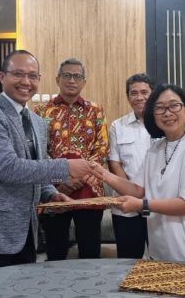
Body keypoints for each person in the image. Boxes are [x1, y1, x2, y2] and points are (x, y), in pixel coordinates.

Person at [0, 50, 100, 273]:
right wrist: (65, 167)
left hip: (27, 230)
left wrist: (49, 193)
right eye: (18, 74)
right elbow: (9, 168)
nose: (26, 82)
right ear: (1, 76)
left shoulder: (36, 120)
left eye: (33, 76)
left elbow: (36, 163)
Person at [100, 84, 185, 266]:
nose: (167, 113)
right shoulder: (156, 148)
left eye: (174, 106)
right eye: (160, 108)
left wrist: (141, 205)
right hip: (163, 247)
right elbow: (137, 189)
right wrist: (101, 173)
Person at [34, 58, 109, 260]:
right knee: (56, 250)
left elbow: (102, 147)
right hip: (55, 189)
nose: (71, 80)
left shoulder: (95, 110)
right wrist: (60, 179)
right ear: (58, 79)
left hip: (89, 187)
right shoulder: (41, 111)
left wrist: (79, 178)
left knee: (90, 249)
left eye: (77, 76)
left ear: (84, 82)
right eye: (67, 75)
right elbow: (39, 150)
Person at [107, 73, 155, 259]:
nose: (139, 97)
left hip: (158, 204)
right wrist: (131, 195)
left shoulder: (163, 124)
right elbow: (114, 163)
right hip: (125, 205)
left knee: (162, 261)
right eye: (133, 93)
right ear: (128, 97)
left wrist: (146, 199)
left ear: (153, 94)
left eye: (144, 92)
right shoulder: (117, 126)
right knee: (127, 261)